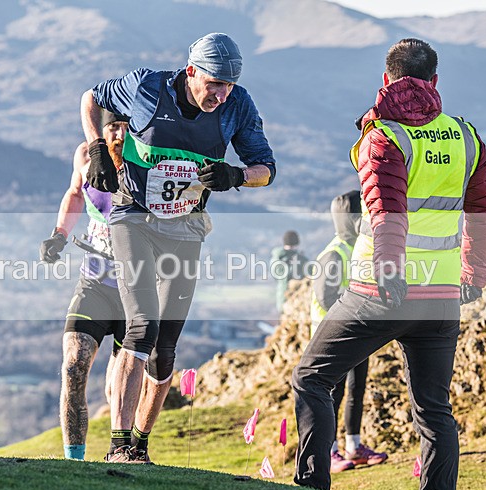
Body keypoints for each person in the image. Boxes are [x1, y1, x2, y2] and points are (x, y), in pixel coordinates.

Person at [292, 38, 486, 490]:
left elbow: (387, 211)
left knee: (312, 378)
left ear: (387, 80)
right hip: (443, 294)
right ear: (435, 82)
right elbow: (485, 213)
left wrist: (387, 271)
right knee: (433, 409)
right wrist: (475, 276)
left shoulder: (385, 137)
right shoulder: (467, 136)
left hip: (380, 290)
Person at [81, 32, 275, 462]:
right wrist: (97, 147)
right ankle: (118, 445)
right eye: (213, 85)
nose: (220, 96)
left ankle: (140, 447)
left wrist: (236, 176)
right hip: (133, 216)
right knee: (142, 327)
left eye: (228, 86)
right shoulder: (147, 87)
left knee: (166, 344)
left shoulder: (238, 106)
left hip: (185, 228)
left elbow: (267, 169)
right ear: (191, 72)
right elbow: (90, 98)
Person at [39, 110, 130, 461]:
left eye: (126, 127)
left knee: (118, 383)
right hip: (94, 282)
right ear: (99, 130)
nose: (119, 134)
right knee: (73, 365)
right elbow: (76, 193)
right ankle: (73, 461)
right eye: (113, 127)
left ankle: (120, 452)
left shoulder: (148, 158)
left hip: (136, 288)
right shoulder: (84, 154)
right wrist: (59, 235)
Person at [310, 191, 387, 472]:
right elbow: (325, 297)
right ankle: (330, 452)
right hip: (333, 335)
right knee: (334, 394)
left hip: (357, 331)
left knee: (357, 389)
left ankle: (354, 447)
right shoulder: (335, 252)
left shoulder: (359, 249)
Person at [271, 230, 310, 313]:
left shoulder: (275, 258)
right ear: (297, 243)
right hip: (298, 302)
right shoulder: (301, 260)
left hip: (281, 299)